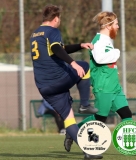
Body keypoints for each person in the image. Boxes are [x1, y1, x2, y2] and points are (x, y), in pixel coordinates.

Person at [30, 5, 101, 159]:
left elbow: (58, 48)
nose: (60, 21)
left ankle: (88, 152)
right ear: (55, 19)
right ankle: (84, 104)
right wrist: (73, 63)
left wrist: (80, 45)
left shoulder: (35, 34)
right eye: (59, 19)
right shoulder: (53, 31)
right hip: (58, 78)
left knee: (69, 119)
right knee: (85, 66)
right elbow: (56, 48)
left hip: (44, 87)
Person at [64, 11, 133, 156]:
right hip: (104, 86)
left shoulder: (107, 40)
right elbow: (101, 59)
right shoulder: (98, 41)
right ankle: (72, 131)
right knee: (100, 118)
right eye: (116, 24)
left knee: (127, 114)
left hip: (114, 86)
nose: (118, 27)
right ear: (108, 26)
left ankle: (133, 145)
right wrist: (117, 53)